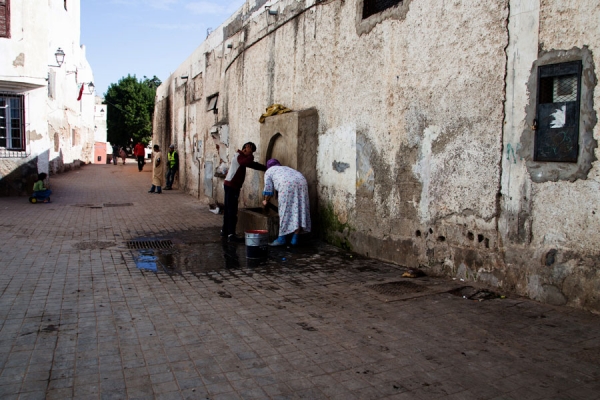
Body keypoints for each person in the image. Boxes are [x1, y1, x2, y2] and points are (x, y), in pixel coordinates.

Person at [222, 142, 266, 242]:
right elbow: (245, 162)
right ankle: (231, 234)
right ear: (245, 148)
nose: (250, 154)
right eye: (250, 151)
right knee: (231, 210)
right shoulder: (239, 156)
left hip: (230, 185)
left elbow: (252, 164)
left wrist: (265, 168)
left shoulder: (241, 157)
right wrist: (250, 154)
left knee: (228, 208)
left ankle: (225, 231)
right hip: (232, 186)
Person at [262, 159, 311, 246]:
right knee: (299, 209)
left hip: (287, 185)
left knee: (284, 211)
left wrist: (266, 201)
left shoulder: (269, 171)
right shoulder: (285, 168)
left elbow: (268, 190)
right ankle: (295, 238)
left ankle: (282, 238)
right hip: (302, 182)